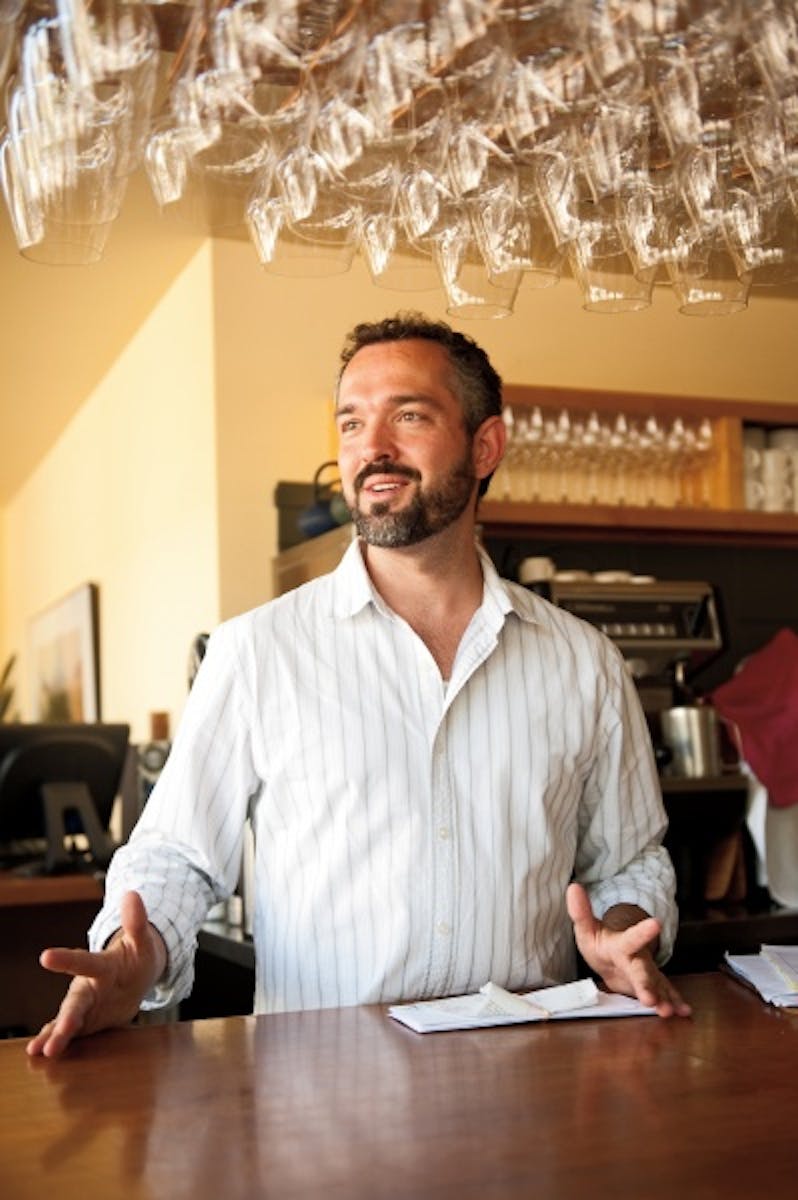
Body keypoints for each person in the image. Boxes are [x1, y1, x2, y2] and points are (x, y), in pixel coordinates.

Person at [28, 313, 689, 1058]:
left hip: (530, 1090)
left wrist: (624, 931)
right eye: (351, 422)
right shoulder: (255, 652)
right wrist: (133, 951)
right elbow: (176, 857)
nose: (372, 447)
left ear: (485, 446)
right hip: (324, 1095)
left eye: (409, 416)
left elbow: (628, 860)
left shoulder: (584, 662)